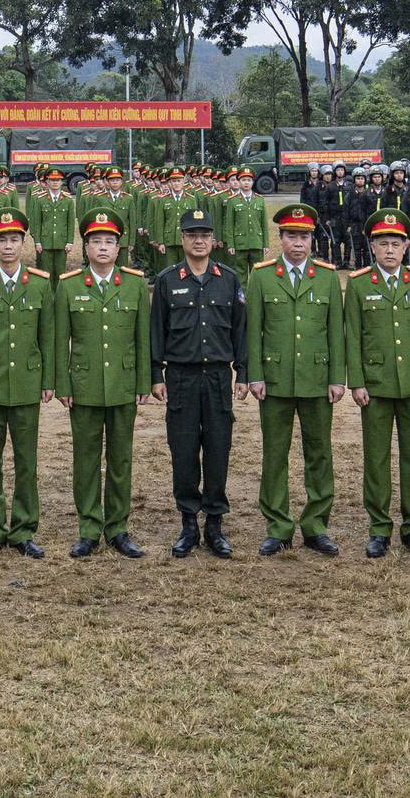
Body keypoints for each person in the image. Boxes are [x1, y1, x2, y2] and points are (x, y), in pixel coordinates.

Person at [244, 200, 346, 557]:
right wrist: (255, 375)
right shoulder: (261, 276)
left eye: (303, 236)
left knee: (319, 454)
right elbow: (253, 330)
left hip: (316, 379)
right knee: (275, 454)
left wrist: (337, 378)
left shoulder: (328, 277)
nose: (297, 243)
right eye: (290, 235)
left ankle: (316, 525)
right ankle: (278, 526)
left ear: (312, 239)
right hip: (275, 379)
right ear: (280, 238)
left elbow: (336, 332)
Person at [148, 205, 243, 559]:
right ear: (183, 239)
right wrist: (155, 375)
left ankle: (214, 523)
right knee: (184, 451)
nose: (199, 241)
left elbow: (240, 330)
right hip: (181, 378)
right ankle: (189, 522)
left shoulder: (228, 279)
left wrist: (243, 373)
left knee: (218, 449)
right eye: (192, 235)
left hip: (218, 377)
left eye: (204, 235)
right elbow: (157, 331)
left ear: (213, 240)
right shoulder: (167, 280)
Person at [58, 209, 152, 557]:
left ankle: (117, 528)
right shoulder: (68, 285)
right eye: (95, 241)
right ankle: (88, 528)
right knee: (85, 460)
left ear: (118, 248)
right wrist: (63, 384)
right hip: (83, 385)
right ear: (85, 247)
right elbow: (60, 340)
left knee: (120, 459)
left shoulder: (134, 284)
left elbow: (142, 339)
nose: (102, 247)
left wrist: (143, 382)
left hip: (122, 384)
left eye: (109, 242)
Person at [345, 209, 410, 558]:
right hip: (376, 384)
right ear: (372, 246)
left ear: (406, 246)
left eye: (395, 244)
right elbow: (353, 336)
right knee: (376, 458)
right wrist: (357, 382)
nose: (389, 250)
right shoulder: (358, 284)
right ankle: (379, 527)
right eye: (382, 243)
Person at [0, 206, 56, 560]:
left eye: (14, 240)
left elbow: (47, 336)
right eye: (1, 240)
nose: (7, 246)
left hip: (26, 383)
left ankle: (23, 529)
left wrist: (47, 379)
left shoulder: (40, 284)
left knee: (26, 461)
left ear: (24, 244)